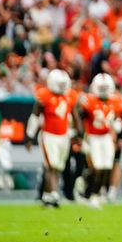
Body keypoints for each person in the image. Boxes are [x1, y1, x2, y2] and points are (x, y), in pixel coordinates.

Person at [25, 69, 80, 207]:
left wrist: (79, 133)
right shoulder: (44, 95)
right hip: (48, 135)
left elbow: (75, 115)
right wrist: (30, 136)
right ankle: (54, 194)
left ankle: (47, 195)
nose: (62, 87)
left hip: (64, 136)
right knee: (51, 166)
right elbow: (35, 117)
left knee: (58, 167)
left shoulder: (70, 96)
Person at [79, 73, 122, 209]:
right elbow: (80, 116)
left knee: (107, 166)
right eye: (100, 87)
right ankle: (91, 193)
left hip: (106, 137)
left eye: (105, 87)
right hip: (93, 136)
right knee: (97, 167)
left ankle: (95, 194)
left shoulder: (116, 100)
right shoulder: (88, 100)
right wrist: (81, 136)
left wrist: (119, 126)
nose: (103, 90)